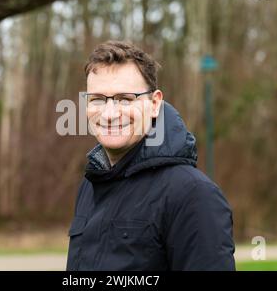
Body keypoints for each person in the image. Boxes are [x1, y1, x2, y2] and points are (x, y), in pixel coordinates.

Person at [66, 40, 235, 271]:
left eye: (125, 99)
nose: (110, 113)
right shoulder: (90, 185)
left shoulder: (192, 194)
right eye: (97, 99)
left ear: (154, 103)